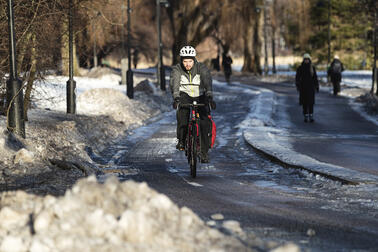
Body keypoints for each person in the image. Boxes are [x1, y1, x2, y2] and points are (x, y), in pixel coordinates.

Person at [170, 45, 216, 163]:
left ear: (194, 60)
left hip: (200, 95)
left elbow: (207, 79)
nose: (188, 64)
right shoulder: (177, 69)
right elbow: (175, 83)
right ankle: (182, 140)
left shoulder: (201, 68)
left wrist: (209, 96)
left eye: (190, 61)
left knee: (205, 122)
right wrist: (176, 98)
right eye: (185, 61)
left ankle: (204, 152)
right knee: (182, 116)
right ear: (181, 61)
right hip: (184, 95)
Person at [295, 53, 319, 123]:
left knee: (311, 103)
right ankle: (305, 116)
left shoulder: (312, 68)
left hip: (311, 88)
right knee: (304, 103)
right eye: (305, 59)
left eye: (307, 59)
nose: (306, 61)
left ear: (309, 60)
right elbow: (297, 77)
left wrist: (317, 86)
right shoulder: (300, 68)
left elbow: (315, 78)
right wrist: (298, 85)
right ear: (303, 60)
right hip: (303, 88)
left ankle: (311, 116)